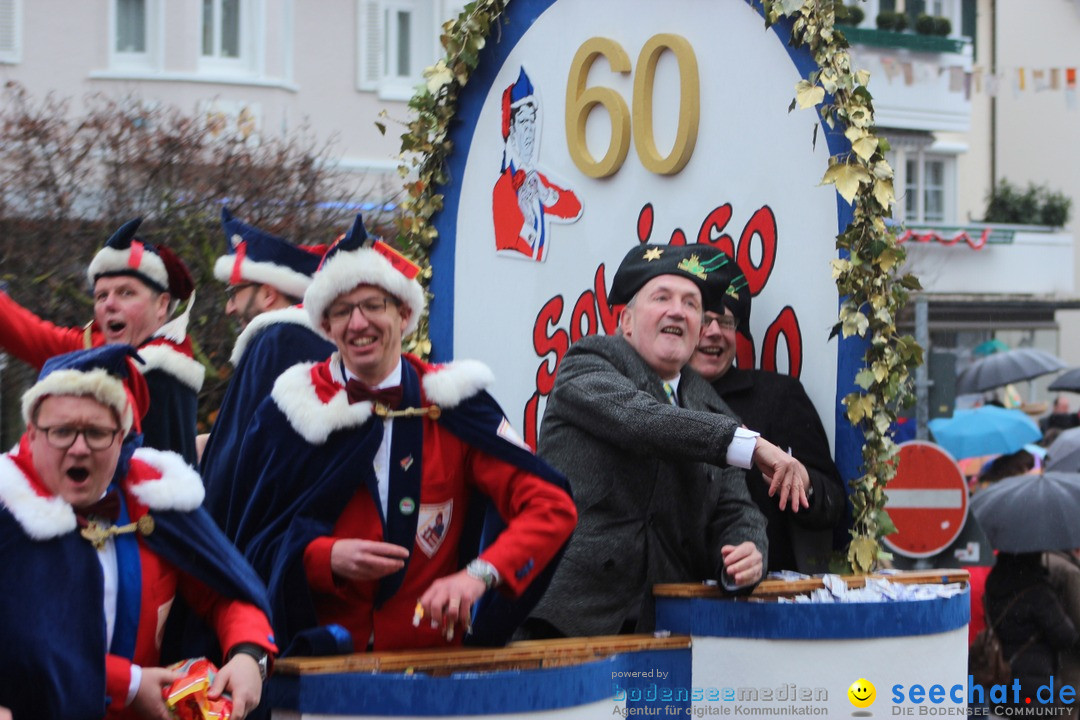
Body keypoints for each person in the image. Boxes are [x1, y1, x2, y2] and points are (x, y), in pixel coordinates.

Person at [230, 234, 577, 655]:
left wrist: (478, 576)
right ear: (325, 327)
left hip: (429, 664)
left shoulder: (454, 405)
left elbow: (550, 506)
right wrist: (324, 558)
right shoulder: (289, 411)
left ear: (404, 313)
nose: (358, 323)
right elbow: (248, 544)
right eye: (342, 311)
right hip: (311, 663)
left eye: (374, 306)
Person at [526, 243, 809, 639]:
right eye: (662, 298)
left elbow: (736, 509)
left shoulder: (715, 410)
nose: (678, 310)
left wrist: (746, 551)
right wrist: (753, 445)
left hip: (664, 627)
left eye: (692, 304)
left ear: (696, 331)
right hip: (566, 622)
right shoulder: (588, 361)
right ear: (626, 321)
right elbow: (640, 420)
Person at [0, 345, 276, 720]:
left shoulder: (155, 499)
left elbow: (227, 591)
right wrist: (126, 684)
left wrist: (249, 654)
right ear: (31, 435)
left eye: (97, 433)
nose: (79, 449)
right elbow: (28, 649)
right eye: (61, 431)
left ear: (122, 438)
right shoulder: (8, 509)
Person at [0, 218, 203, 464]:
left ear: (161, 305)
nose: (109, 304)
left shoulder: (159, 370)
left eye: (126, 292)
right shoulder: (102, 347)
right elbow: (28, 334)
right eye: (101, 296)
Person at [688, 264, 845, 574]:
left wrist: (806, 486)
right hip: (662, 595)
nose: (715, 332)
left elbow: (834, 502)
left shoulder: (779, 396)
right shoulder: (648, 395)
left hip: (761, 594)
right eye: (704, 320)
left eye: (727, 322)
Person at [200, 208, 334, 536]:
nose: (230, 307)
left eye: (235, 293)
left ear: (268, 293)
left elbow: (243, 459)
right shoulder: (298, 338)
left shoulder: (278, 339)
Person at [983, 552, 1077, 714]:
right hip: (1036, 689)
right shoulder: (1038, 592)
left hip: (1002, 680)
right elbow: (1065, 636)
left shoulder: (994, 584)